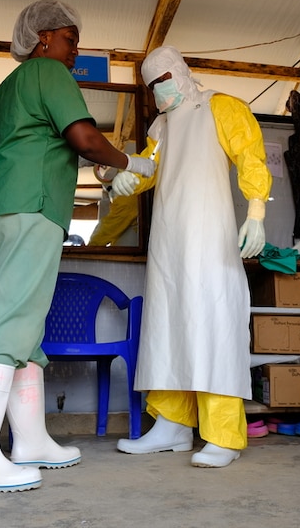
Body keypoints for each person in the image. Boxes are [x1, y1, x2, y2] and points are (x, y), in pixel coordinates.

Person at [0, 0, 156, 493]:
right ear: (42, 38)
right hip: (33, 205)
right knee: (13, 319)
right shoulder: (49, 72)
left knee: (26, 321)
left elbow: (40, 145)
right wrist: (128, 163)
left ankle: (31, 440)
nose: (74, 52)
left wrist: (102, 170)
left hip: (3, 204)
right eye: (69, 39)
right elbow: (83, 137)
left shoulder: (7, 89)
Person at [112, 46, 271, 468]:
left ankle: (223, 436)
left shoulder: (220, 107)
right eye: (151, 86)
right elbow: (151, 165)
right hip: (169, 243)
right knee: (167, 328)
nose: (159, 91)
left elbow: (250, 156)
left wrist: (256, 211)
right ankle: (172, 426)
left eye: (164, 79)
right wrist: (130, 175)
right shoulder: (161, 127)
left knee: (213, 328)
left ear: (181, 73)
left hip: (210, 239)